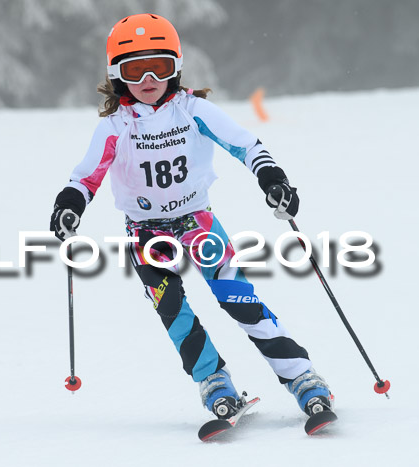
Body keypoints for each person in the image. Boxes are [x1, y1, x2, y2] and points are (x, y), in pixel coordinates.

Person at [50, 13, 332, 421]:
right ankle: (213, 380)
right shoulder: (114, 126)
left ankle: (302, 377)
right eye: (134, 69)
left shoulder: (194, 110)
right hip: (145, 235)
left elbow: (247, 145)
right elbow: (85, 177)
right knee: (174, 311)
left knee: (240, 302)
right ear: (117, 76)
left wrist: (274, 180)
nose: (148, 78)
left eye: (159, 66)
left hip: (197, 223)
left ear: (176, 67)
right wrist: (68, 207)